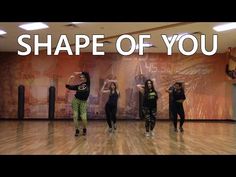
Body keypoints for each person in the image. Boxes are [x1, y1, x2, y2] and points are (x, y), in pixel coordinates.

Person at [65, 71, 90, 136]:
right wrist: (69, 79)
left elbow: (87, 73)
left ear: (85, 78)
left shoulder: (88, 84)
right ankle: (77, 130)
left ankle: (84, 129)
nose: (81, 77)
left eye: (82, 76)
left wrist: (79, 73)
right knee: (75, 116)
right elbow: (67, 86)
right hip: (76, 101)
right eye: (80, 77)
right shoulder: (78, 86)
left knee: (84, 117)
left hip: (83, 102)